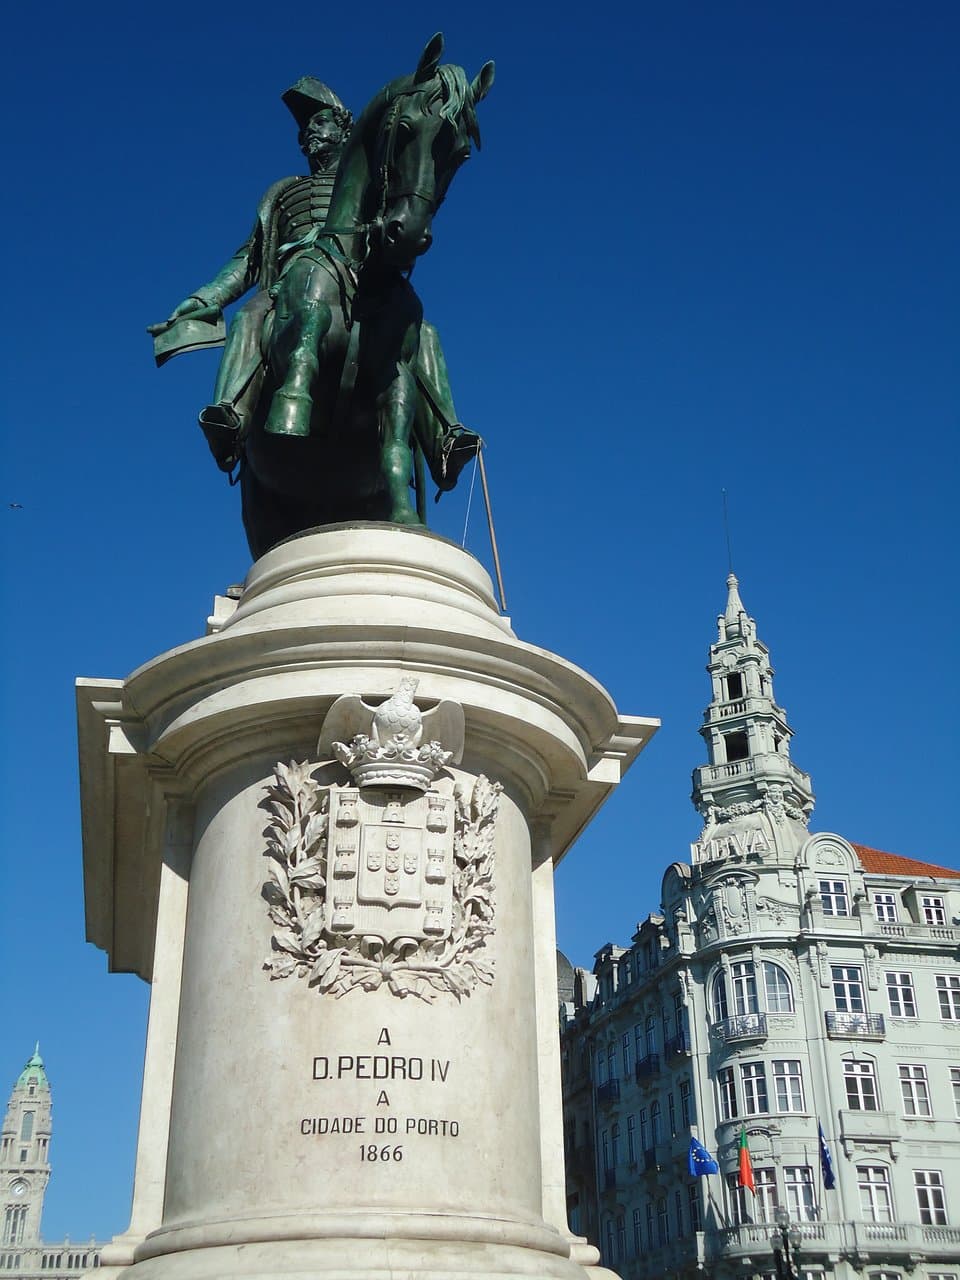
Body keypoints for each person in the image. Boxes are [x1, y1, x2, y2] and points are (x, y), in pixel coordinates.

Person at [149, 77, 479, 491]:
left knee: (422, 330)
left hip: (359, 277)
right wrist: (206, 296)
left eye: (320, 123)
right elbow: (249, 259)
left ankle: (444, 439)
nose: (309, 134)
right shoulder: (285, 192)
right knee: (250, 319)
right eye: (305, 130)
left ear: (344, 128)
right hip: (289, 285)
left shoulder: (375, 184)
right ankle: (230, 415)